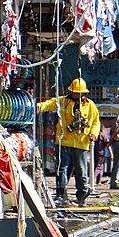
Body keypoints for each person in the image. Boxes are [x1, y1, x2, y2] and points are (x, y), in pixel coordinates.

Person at [37, 78, 101, 206]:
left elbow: (95, 121)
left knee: (81, 171)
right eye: (75, 92)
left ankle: (81, 196)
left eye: (79, 93)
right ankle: (61, 195)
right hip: (63, 142)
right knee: (62, 169)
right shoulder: (63, 101)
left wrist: (93, 134)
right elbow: (50, 104)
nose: (77, 95)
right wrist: (38, 107)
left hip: (81, 144)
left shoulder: (90, 105)